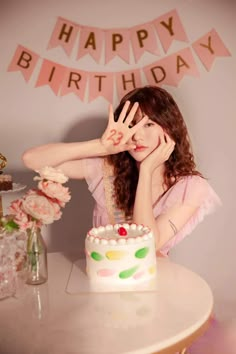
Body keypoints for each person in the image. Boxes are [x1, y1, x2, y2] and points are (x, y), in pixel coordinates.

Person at [22, 85, 221, 257]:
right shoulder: (108, 170)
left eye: (149, 124)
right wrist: (100, 146)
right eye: (131, 126)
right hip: (102, 280)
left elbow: (147, 245)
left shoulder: (190, 187)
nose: (137, 135)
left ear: (170, 128)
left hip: (153, 284)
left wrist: (146, 170)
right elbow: (31, 160)